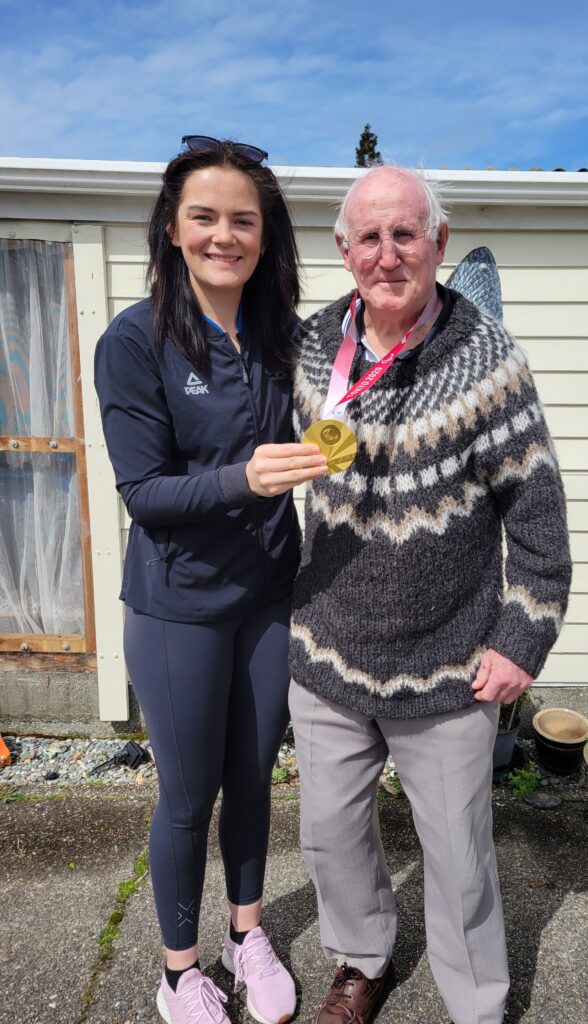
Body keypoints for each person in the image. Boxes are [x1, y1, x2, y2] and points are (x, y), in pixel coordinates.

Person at [289, 165, 572, 1024]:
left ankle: (476, 1000)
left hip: (448, 663)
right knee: (332, 837)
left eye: (405, 233)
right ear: (344, 251)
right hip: (328, 650)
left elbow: (538, 512)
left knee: (459, 859)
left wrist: (523, 639)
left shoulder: (487, 358)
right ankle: (360, 961)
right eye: (368, 237)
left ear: (438, 244)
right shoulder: (308, 347)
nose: (387, 253)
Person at [94, 137, 327, 1024]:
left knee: (254, 776)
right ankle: (179, 972)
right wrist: (245, 478)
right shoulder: (137, 339)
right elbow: (145, 493)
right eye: (205, 216)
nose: (224, 234)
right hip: (177, 608)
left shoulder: (278, 335)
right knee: (188, 798)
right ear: (171, 226)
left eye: (244, 219)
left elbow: (352, 386)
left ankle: (247, 935)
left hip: (269, 597)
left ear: (265, 237)